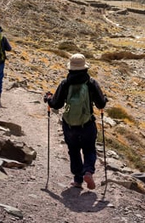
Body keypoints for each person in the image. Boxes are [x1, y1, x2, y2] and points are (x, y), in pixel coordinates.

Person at [44, 54, 107, 189]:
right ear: (84, 67)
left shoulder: (65, 83)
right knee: (89, 149)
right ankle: (88, 171)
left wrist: (48, 99)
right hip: (87, 123)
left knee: (73, 150)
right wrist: (105, 99)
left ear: (70, 68)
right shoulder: (91, 83)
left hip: (70, 125)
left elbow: (56, 104)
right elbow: (101, 104)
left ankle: (78, 180)